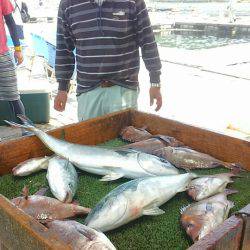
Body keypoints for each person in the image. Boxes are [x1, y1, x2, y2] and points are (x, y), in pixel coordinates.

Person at [54, 0, 163, 121]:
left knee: (125, 137)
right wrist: (62, 88)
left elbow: (147, 41)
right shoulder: (67, 4)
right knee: (88, 138)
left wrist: (155, 82)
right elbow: (64, 48)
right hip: (88, 92)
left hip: (124, 89)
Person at [0, 0, 26, 127]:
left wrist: (18, 49)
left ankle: (26, 130)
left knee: (13, 96)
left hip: (2, 54)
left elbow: (10, 21)